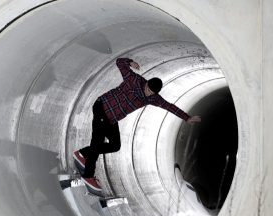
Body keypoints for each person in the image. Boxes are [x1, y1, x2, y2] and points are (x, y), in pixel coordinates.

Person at [73, 57, 201, 195]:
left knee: (115, 145)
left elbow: (169, 106)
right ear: (146, 84)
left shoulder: (153, 98)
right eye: (148, 90)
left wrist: (187, 118)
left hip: (113, 118)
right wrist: (130, 62)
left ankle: (82, 154)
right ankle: (88, 175)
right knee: (97, 143)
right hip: (102, 107)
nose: (148, 93)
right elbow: (119, 62)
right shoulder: (133, 79)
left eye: (152, 93)